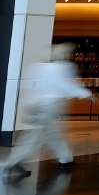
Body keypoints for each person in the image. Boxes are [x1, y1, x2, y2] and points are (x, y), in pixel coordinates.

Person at [3, 43, 93, 180]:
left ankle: (66, 160)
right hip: (51, 105)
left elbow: (31, 86)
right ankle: (14, 162)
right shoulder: (62, 68)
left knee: (49, 133)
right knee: (41, 135)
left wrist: (29, 106)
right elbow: (67, 85)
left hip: (37, 104)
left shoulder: (37, 67)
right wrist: (87, 94)